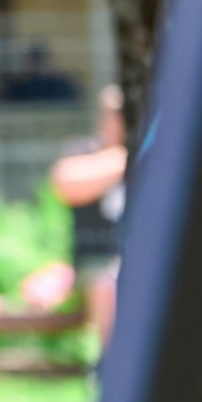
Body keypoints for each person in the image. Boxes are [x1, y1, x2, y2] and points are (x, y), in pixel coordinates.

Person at [51, 82, 131, 350]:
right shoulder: (83, 150)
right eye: (114, 112)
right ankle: (111, 366)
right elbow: (65, 184)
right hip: (96, 262)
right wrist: (123, 161)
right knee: (110, 283)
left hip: (136, 258)